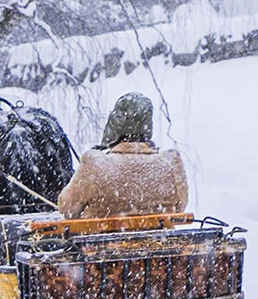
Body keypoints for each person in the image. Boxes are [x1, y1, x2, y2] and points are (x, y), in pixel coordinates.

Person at [57, 93, 189, 219]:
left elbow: (68, 209)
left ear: (115, 124)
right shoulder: (171, 162)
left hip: (100, 240)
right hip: (160, 239)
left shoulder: (95, 164)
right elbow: (179, 208)